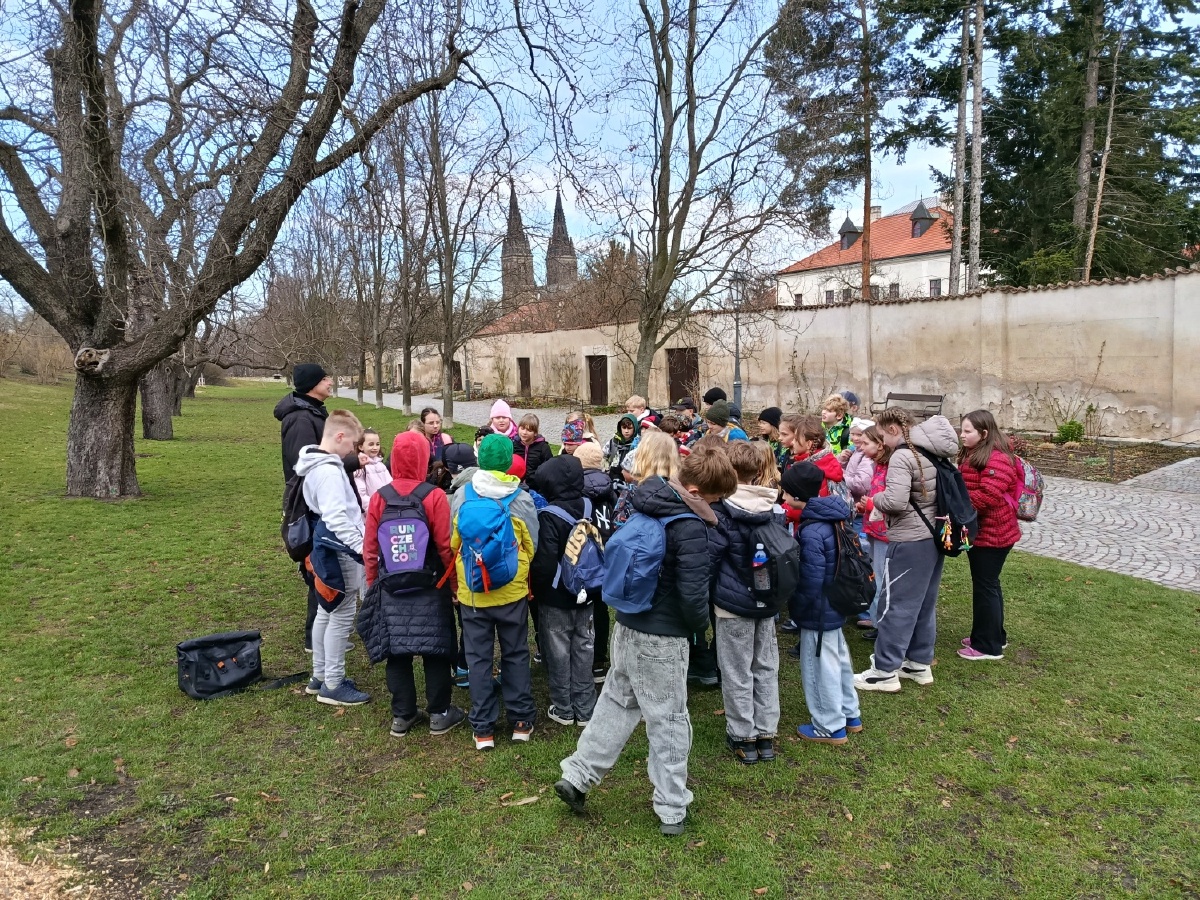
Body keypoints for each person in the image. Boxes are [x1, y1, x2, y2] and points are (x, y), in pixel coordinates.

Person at [554, 435, 734, 837]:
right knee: (669, 720)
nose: (717, 504)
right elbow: (693, 594)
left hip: (627, 626)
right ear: (698, 491)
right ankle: (671, 806)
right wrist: (698, 629)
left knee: (616, 702)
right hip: (664, 638)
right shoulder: (688, 526)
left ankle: (578, 775)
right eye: (716, 496)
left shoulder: (646, 501)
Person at [361, 431, 466, 737]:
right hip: (430, 584)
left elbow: (370, 548)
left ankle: (402, 715)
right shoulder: (433, 495)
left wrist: (373, 584)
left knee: (397, 652)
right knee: (435, 649)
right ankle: (439, 713)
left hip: (391, 584)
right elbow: (445, 546)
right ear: (424, 459)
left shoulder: (380, 497)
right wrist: (454, 585)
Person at [855, 408, 959, 693]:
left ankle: (884, 671)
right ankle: (918, 663)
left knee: (896, 605)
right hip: (932, 538)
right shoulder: (932, 451)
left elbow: (896, 501)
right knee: (923, 603)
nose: (883, 443)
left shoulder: (903, 455)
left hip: (909, 540)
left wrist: (874, 499)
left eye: (882, 435)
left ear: (893, 429)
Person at [450, 434, 540, 748]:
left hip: (473, 591)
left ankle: (483, 728)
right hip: (512, 590)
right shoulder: (521, 498)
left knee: (478, 659)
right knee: (516, 652)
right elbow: (532, 543)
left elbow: (454, 541)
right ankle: (521, 721)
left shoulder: (462, 496)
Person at [275, 363, 365, 653]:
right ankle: (315, 641)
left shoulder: (313, 411)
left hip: (320, 505)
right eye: (325, 378)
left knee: (326, 572)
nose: (330, 381)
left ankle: (324, 637)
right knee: (321, 572)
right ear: (313, 384)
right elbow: (306, 466)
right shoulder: (300, 419)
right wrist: (349, 462)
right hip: (311, 510)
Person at [708, 442, 784, 764]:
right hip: (766, 601)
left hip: (732, 605)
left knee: (736, 669)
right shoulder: (772, 507)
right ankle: (765, 732)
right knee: (765, 665)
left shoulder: (720, 513)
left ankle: (743, 735)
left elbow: (711, 559)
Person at [294, 409, 371, 706]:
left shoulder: (317, 464)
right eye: (351, 443)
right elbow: (337, 518)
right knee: (340, 613)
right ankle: (333, 683)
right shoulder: (327, 471)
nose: (352, 450)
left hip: (326, 547)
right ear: (339, 436)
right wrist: (362, 547)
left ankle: (320, 676)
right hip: (338, 549)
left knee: (326, 611)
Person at [782, 462, 862, 744]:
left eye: (786, 492)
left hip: (818, 607)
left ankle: (829, 724)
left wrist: (798, 607)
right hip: (836, 601)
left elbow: (811, 578)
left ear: (797, 494)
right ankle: (850, 713)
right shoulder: (833, 516)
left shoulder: (812, 530)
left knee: (818, 666)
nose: (783, 497)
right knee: (838, 658)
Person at [530, 454, 599, 726]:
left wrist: (538, 589)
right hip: (588, 591)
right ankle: (586, 707)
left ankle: (563, 707)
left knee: (558, 651)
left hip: (557, 596)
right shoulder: (589, 506)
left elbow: (546, 563)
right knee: (585, 647)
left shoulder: (549, 515)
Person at [957, 410, 1022, 661]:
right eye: (962, 430)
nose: (962, 435)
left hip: (993, 534)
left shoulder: (997, 458)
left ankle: (987, 646)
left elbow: (988, 496)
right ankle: (993, 635)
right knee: (989, 585)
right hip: (983, 531)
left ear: (984, 433)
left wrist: (955, 502)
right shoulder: (977, 453)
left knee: (986, 587)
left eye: (968, 431)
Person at [574, 441, 617, 682]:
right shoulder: (610, 487)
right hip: (608, 551)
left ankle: (583, 656)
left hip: (585, 554)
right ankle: (599, 659)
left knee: (583, 605)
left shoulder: (576, 489)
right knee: (601, 607)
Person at [857, 425, 892, 638]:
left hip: (884, 533)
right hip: (873, 528)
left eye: (865, 443)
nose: (860, 447)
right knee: (874, 575)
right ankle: (877, 619)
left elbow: (892, 501)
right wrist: (866, 507)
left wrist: (871, 504)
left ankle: (883, 626)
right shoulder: (878, 466)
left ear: (880, 445)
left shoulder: (891, 468)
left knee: (881, 578)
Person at [353, 428, 392, 508]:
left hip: (386, 508)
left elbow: (391, 486)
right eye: (371, 444)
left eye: (377, 444)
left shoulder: (381, 465)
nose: (375, 447)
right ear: (361, 447)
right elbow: (361, 495)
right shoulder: (359, 468)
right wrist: (375, 508)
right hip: (371, 510)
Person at [512, 413, 553, 481]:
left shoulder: (543, 448)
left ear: (535, 433)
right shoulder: (513, 445)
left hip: (535, 485)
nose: (524, 432)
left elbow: (549, 469)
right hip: (516, 483)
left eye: (529, 430)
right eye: (522, 428)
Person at [604, 414, 638, 481]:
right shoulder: (613, 442)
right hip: (612, 476)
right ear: (620, 428)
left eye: (629, 428)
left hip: (630, 478)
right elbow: (604, 457)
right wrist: (606, 470)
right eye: (624, 428)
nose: (626, 431)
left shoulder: (638, 444)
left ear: (635, 428)